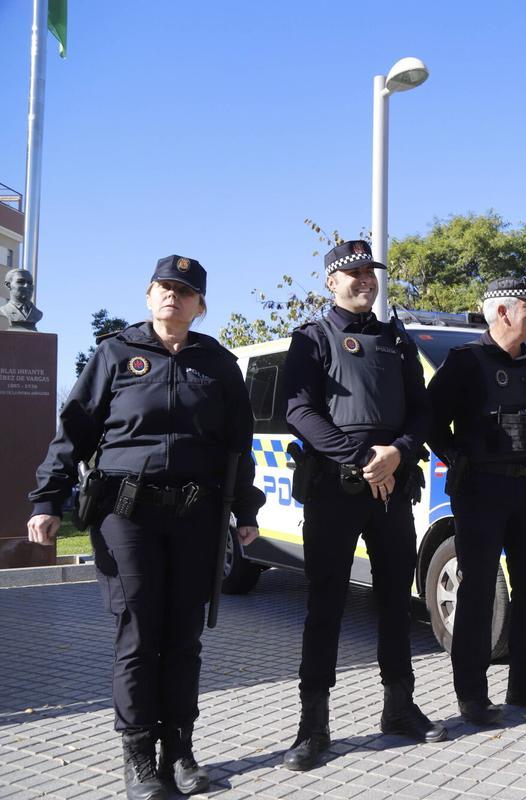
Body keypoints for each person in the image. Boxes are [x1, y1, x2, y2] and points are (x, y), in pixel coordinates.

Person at [27, 256, 264, 800]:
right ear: (148, 294)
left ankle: (179, 749)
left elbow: (238, 447)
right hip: (125, 515)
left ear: (200, 305)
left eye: (184, 291)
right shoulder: (115, 353)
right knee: (137, 631)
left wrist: (246, 511)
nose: (171, 297)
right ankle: (138, 755)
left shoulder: (219, 365)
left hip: (197, 516)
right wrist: (45, 498)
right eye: (163, 287)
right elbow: (74, 431)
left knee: (184, 635)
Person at [281, 240, 443, 772]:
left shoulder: (397, 339)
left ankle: (399, 708)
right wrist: (360, 457)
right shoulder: (311, 339)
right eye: (352, 273)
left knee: (398, 599)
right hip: (336, 488)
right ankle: (313, 725)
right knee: (325, 605)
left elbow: (423, 412)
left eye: (370, 272)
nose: (364, 280)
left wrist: (397, 453)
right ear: (331, 281)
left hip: (393, 486)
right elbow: (300, 410)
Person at [426, 277, 526, 726]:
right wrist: (457, 458)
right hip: (481, 492)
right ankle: (472, 695)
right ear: (503, 312)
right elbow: (429, 422)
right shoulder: (465, 363)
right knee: (478, 593)